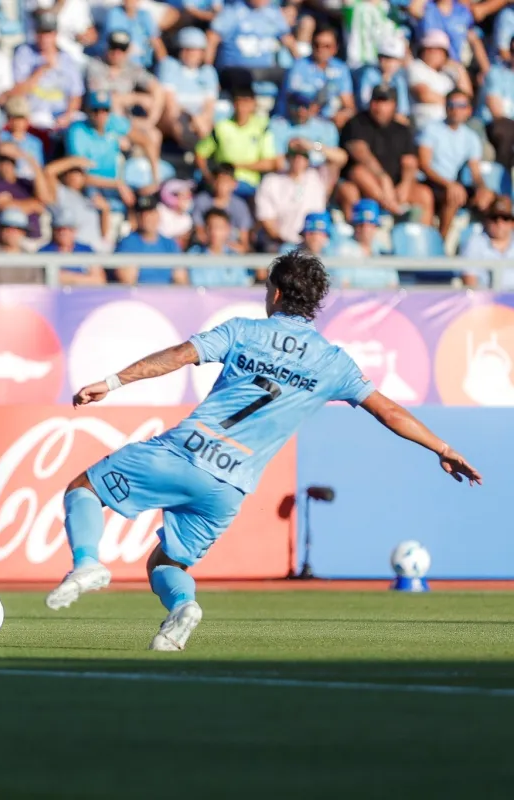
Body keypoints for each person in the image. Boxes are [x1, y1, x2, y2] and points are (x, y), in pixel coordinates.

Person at [48, 249, 481, 651]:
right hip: (230, 489)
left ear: (274, 292)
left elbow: (180, 356)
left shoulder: (243, 331)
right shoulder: (334, 363)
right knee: (168, 564)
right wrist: (441, 448)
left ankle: (86, 563)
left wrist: (113, 382)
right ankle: (182, 608)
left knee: (84, 488)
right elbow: (387, 411)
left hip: (183, 453)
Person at [339, 86, 433, 222]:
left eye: (384, 102)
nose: (379, 107)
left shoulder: (402, 129)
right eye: (376, 101)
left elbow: (410, 162)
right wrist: (382, 177)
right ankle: (393, 208)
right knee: (358, 173)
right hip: (367, 186)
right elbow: (360, 151)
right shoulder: (357, 122)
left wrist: (405, 185)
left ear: (394, 104)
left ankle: (424, 237)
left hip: (396, 186)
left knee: (424, 194)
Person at [418, 90, 493, 237]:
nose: (455, 109)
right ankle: (440, 243)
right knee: (454, 195)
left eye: (461, 105)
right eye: (451, 105)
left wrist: (483, 189)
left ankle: (492, 246)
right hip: (432, 182)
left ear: (469, 110)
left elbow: (475, 172)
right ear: (446, 107)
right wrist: (448, 184)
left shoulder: (471, 137)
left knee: (496, 200)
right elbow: (424, 165)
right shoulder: (431, 129)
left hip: (452, 184)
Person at [194, 84, 278, 198]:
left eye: (246, 102)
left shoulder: (262, 127)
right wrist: (209, 177)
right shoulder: (221, 127)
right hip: (221, 179)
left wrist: (237, 166)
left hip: (248, 182)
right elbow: (200, 153)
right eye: (238, 102)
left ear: (253, 104)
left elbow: (270, 163)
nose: (241, 107)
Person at [11, 12, 84, 132]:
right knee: (41, 121)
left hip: (61, 113)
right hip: (35, 112)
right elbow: (17, 92)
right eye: (41, 33)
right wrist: (42, 70)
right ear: (35, 34)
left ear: (55, 34)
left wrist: (68, 115)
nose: (44, 38)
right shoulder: (24, 53)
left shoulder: (66, 58)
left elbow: (76, 95)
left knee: (80, 121)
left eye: (48, 33)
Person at [277, 24, 355, 127]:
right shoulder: (299, 66)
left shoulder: (341, 69)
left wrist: (342, 114)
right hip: (298, 121)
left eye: (326, 46)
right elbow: (293, 101)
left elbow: (349, 105)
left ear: (335, 48)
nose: (320, 49)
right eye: (316, 44)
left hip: (328, 124)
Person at [255, 143, 328, 250]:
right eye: (294, 155)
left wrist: (311, 146)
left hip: (315, 243)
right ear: (287, 157)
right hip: (281, 244)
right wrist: (286, 244)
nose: (298, 159)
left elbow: (339, 159)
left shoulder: (316, 177)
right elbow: (267, 221)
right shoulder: (271, 181)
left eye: (303, 155)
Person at [157, 27, 219, 151]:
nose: (191, 54)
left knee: (207, 125)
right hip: (175, 119)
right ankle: (196, 152)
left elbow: (209, 107)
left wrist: (199, 119)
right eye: (187, 49)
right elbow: (170, 106)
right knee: (179, 123)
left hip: (198, 122)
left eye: (196, 50)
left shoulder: (208, 72)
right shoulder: (169, 66)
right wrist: (192, 117)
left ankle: (200, 155)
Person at [408, 30, 472, 130]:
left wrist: (460, 69)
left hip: (451, 124)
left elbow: (466, 97)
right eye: (429, 49)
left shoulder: (449, 74)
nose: (433, 53)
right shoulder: (416, 66)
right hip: (426, 123)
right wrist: (456, 105)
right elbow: (424, 95)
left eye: (438, 50)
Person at [327, 199, 399, 288]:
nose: (365, 229)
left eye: (370, 224)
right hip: (354, 301)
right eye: (360, 224)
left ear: (375, 226)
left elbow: (392, 286)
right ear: (354, 226)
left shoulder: (382, 249)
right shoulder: (343, 249)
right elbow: (344, 287)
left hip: (382, 300)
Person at [113, 194, 182, 284]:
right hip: (139, 296)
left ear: (158, 214)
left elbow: (181, 279)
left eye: (151, 212)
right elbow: (127, 281)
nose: (147, 218)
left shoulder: (169, 244)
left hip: (167, 295)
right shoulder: (127, 244)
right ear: (137, 217)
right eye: (143, 214)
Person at [185, 208, 255, 287]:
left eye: (219, 228)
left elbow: (242, 286)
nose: (214, 232)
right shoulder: (194, 254)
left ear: (228, 230)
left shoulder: (235, 256)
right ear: (205, 229)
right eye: (210, 227)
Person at [192, 162, 253, 252]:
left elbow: (244, 242)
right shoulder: (202, 201)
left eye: (225, 182)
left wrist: (226, 248)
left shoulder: (240, 206)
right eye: (218, 181)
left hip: (231, 252)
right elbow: (200, 234)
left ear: (234, 184)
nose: (221, 186)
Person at [356, 35, 412, 125]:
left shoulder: (399, 79)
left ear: (400, 61)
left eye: (394, 60)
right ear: (379, 58)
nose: (389, 63)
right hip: (369, 118)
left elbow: (403, 109)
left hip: (393, 120)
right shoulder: (369, 74)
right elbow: (364, 103)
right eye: (385, 58)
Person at [460, 196, 514, 288]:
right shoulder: (475, 243)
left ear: (512, 222)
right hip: (486, 300)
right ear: (486, 220)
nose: (499, 223)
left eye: (505, 218)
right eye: (494, 217)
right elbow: (469, 281)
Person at [0, 208, 42, 284]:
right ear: (0, 230)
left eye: (17, 228)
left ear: (23, 232)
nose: (12, 232)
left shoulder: (30, 258)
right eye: (7, 228)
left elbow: (36, 286)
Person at [43, 209, 103, 285]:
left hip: (83, 294)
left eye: (68, 228)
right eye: (59, 229)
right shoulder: (44, 251)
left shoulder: (86, 250)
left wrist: (68, 278)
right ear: (53, 230)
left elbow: (99, 280)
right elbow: (45, 278)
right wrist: (85, 278)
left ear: (75, 230)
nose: (63, 232)